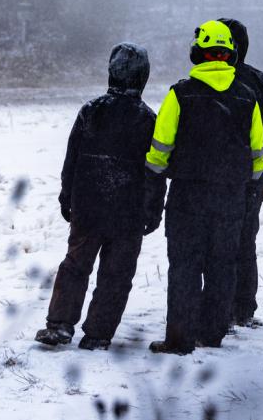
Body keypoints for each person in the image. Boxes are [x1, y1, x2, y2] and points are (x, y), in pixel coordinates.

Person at [144, 20, 263, 354]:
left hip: (188, 196)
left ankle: (179, 339)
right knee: (222, 265)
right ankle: (212, 333)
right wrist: (248, 185)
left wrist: (153, 181)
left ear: (198, 53)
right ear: (230, 55)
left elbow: (159, 149)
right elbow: (257, 154)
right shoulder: (248, 98)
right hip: (230, 198)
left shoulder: (180, 94)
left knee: (184, 265)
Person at [36, 43, 157, 351]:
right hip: (129, 212)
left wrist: (67, 197)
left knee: (75, 265)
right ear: (143, 76)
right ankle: (99, 333)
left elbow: (71, 160)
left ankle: (59, 324)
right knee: (117, 275)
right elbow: (155, 172)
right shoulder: (148, 119)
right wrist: (153, 210)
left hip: (88, 206)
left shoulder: (91, 110)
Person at [219, 17, 263, 328]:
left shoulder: (208, 82)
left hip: (217, 177)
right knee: (245, 242)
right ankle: (243, 308)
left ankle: (221, 305)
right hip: (255, 177)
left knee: (218, 243)